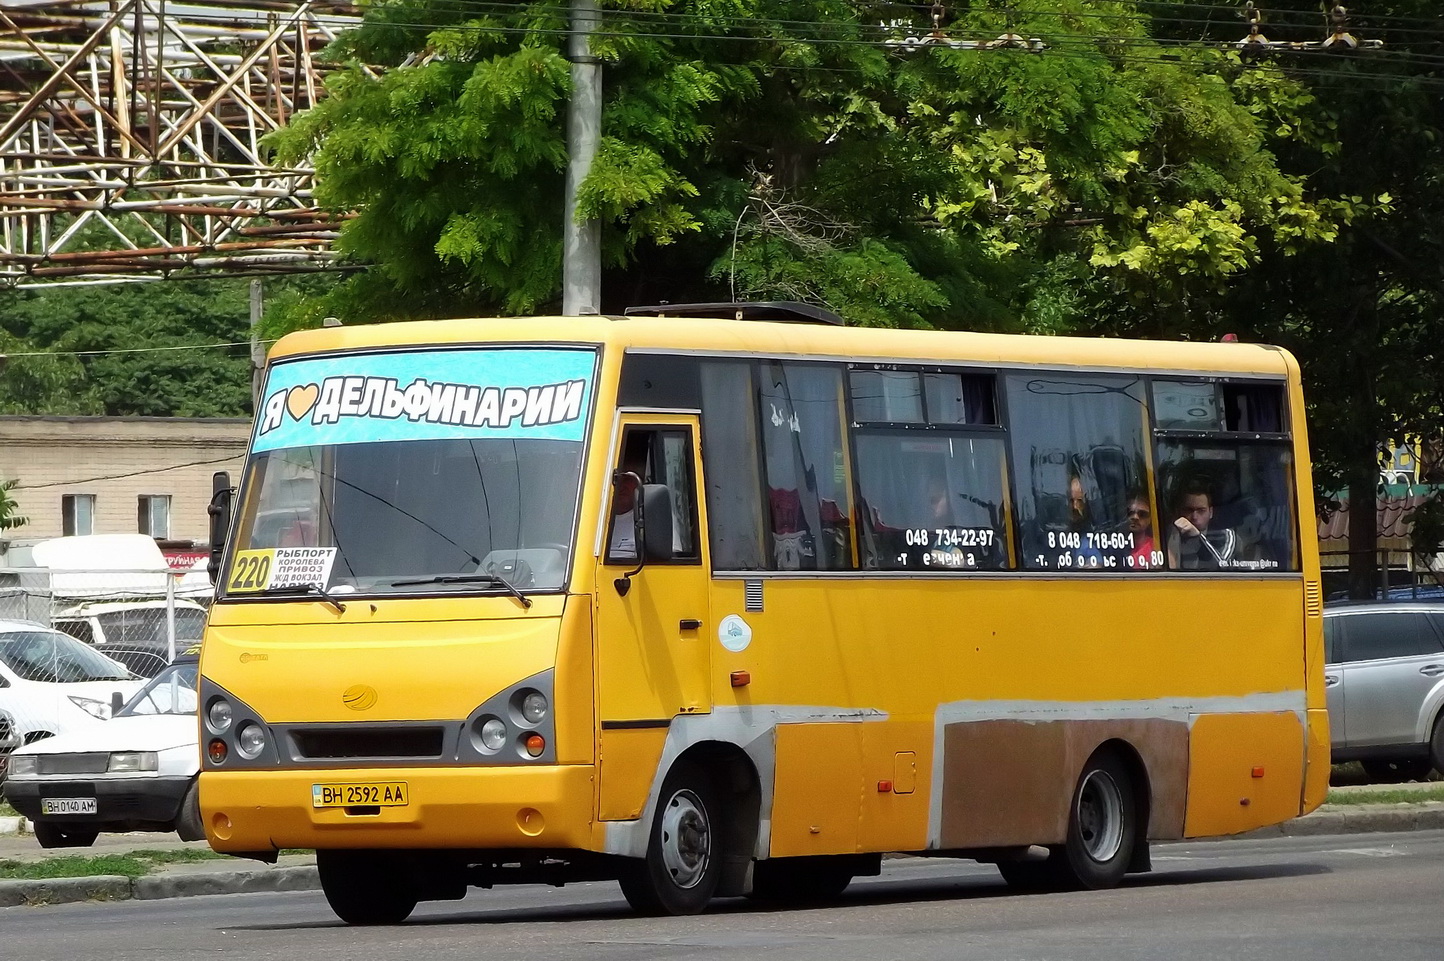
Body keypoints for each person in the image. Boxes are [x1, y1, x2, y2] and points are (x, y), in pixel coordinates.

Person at [1168, 484, 1237, 570]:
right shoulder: (1169, 534)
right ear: (1179, 511)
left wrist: (1197, 537)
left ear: (1210, 512)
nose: (1194, 517)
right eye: (1188, 510)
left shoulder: (1225, 535)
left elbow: (1221, 566)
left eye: (1201, 511)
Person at [1125, 492, 1156, 570]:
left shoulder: (1157, 547)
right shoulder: (1111, 546)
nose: (1135, 517)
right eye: (1130, 513)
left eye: (1142, 514)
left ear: (1150, 520)